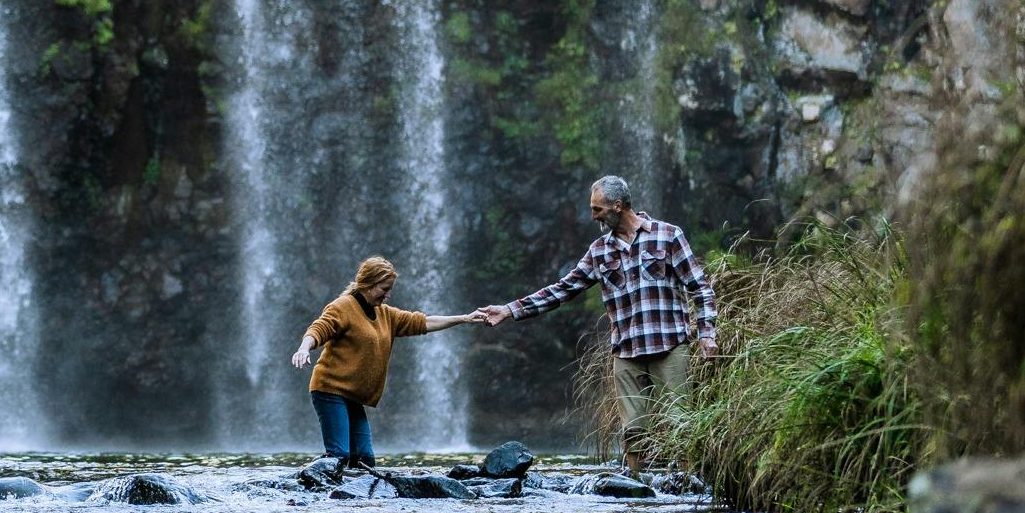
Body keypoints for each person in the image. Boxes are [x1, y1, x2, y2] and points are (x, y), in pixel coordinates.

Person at [471, 176, 716, 471]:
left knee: (680, 424)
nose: (593, 216)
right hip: (626, 352)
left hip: (670, 346)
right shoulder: (599, 251)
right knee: (634, 432)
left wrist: (706, 334)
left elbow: (700, 287)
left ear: (617, 205)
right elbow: (563, 289)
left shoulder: (668, 235)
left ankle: (689, 489)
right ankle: (639, 493)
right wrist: (509, 310)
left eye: (598, 209)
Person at [290, 255, 493, 467]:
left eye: (390, 289)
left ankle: (350, 499)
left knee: (365, 460)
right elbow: (318, 329)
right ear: (367, 284)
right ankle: (311, 484)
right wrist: (304, 349)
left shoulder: (386, 314)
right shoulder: (342, 307)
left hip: (353, 395)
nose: (388, 295)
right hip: (329, 390)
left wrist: (464, 318)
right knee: (339, 456)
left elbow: (422, 322)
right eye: (384, 289)